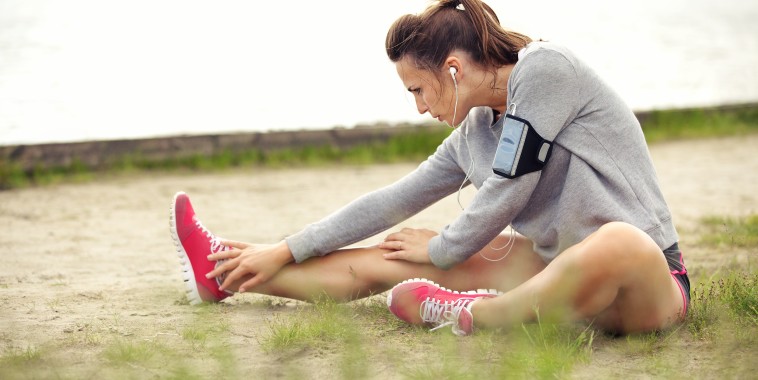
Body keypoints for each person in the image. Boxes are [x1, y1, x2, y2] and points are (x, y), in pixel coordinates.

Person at [169, 0, 690, 336]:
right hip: (555, 275)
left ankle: (471, 314)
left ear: (454, 69)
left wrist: (443, 247)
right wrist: (285, 246)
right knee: (392, 255)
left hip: (645, 286)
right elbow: (391, 201)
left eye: (418, 89)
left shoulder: (547, 70)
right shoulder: (474, 132)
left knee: (618, 239)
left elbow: (510, 187)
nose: (419, 107)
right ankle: (224, 275)